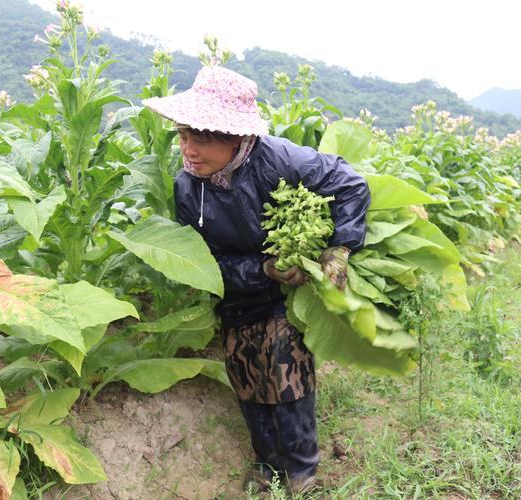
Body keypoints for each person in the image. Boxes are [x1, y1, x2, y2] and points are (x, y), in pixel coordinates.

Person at [143, 65, 370, 494]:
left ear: (235, 137)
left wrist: (340, 247)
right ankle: (267, 464)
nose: (189, 150)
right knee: (246, 375)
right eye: (183, 136)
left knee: (286, 373)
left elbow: (351, 185)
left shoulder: (278, 160)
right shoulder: (187, 189)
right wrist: (259, 270)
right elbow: (205, 264)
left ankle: (302, 468)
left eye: (202, 138)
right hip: (240, 289)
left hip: (288, 294)